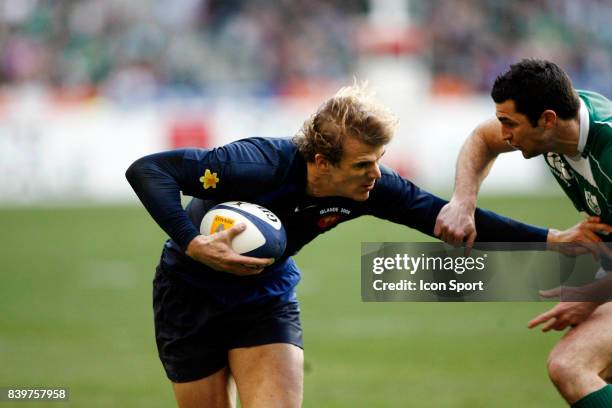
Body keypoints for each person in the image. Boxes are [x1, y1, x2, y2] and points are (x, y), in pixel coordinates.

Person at [126, 82, 604, 408]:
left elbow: (451, 219)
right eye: (363, 165)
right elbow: (149, 170)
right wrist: (192, 243)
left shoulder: (374, 188)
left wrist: (552, 239)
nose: (376, 175)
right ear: (321, 162)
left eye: (379, 162)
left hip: (263, 298)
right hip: (188, 296)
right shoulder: (255, 163)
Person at [434, 59, 612, 407]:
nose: (504, 135)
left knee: (572, 366)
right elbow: (481, 139)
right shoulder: (563, 123)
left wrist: (590, 297)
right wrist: (462, 202)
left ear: (547, 120)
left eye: (509, 123)